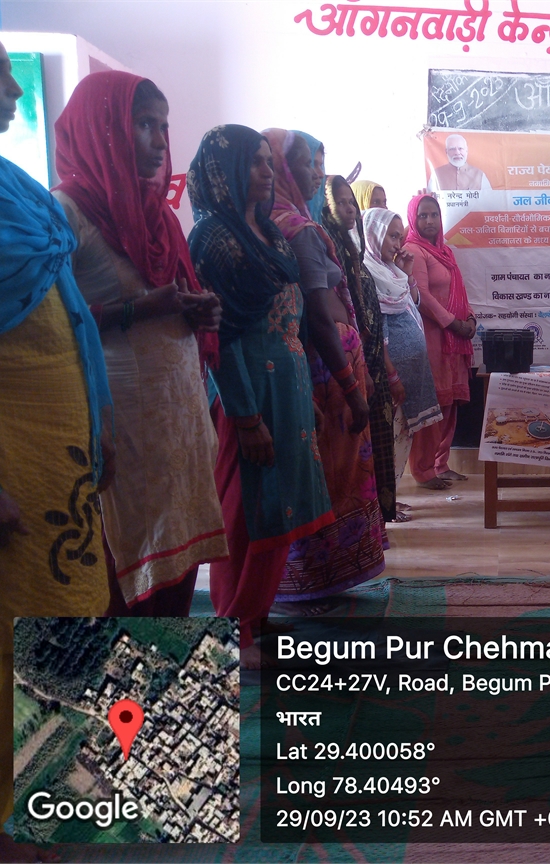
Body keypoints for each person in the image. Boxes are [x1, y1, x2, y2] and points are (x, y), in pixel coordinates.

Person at [0, 28, 114, 861]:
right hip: (9, 460)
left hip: (62, 455)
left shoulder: (8, 184)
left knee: (63, 624)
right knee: (8, 637)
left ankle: (49, 792)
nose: (14, 86)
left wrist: (101, 429)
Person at [52, 71, 228, 616]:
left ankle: (178, 672)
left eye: (164, 126)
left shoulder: (156, 214)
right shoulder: (65, 212)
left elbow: (174, 296)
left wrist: (199, 311)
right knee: (120, 579)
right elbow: (51, 327)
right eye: (144, 124)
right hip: (118, 422)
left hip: (176, 417)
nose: (159, 140)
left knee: (178, 572)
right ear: (102, 127)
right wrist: (140, 309)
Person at [187, 125, 333, 668]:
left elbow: (289, 318)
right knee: (244, 513)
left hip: (287, 387)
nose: (267, 171)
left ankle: (259, 613)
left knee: (280, 506)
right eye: (255, 161)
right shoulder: (212, 239)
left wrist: (303, 393)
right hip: (245, 393)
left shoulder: (268, 232)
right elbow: (220, 337)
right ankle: (235, 631)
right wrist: (246, 417)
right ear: (225, 171)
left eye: (270, 161)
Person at [262, 130, 386, 603]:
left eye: (320, 161)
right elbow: (317, 312)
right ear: (283, 167)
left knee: (325, 476)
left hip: (322, 370)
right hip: (326, 376)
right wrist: (351, 385)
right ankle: (319, 579)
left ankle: (317, 579)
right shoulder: (297, 229)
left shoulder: (282, 222)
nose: (318, 172)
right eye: (308, 162)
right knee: (331, 478)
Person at [321, 176, 404, 523]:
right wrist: (365, 369)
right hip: (353, 366)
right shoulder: (328, 252)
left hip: (369, 363)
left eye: (351, 203)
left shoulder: (350, 252)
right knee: (356, 449)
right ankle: (364, 521)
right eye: (340, 202)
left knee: (379, 443)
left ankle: (379, 517)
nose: (349, 209)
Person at [363, 207, 443, 492]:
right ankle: (384, 504)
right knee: (387, 439)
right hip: (389, 377)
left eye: (400, 237)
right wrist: (393, 375)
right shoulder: (368, 273)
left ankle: (392, 500)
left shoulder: (391, 271)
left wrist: (407, 275)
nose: (398, 244)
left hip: (409, 373)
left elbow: (413, 304)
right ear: (374, 235)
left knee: (402, 437)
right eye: (392, 236)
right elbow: (378, 332)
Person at [404, 194, 476, 489]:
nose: (430, 220)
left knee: (450, 403)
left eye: (434, 214)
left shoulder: (445, 252)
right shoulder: (413, 250)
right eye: (423, 215)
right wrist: (454, 324)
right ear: (413, 219)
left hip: (453, 340)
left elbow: (459, 291)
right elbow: (421, 296)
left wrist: (470, 318)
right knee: (433, 404)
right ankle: (423, 470)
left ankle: (440, 464)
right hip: (432, 337)